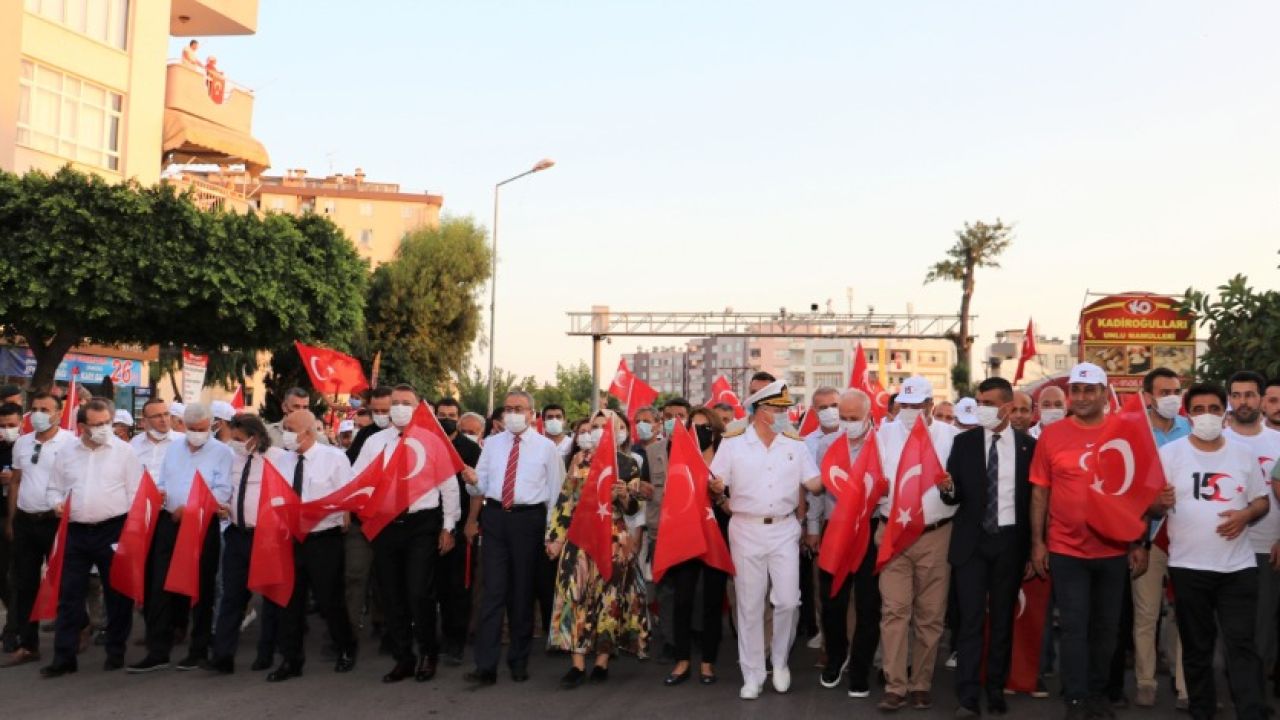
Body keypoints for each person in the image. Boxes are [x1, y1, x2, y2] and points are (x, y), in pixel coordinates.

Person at [1030, 363, 1148, 720]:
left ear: (1103, 392)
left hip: (1113, 548)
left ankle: (1098, 695)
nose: (1081, 397)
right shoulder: (1052, 435)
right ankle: (1076, 698)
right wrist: (1038, 543)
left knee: (1107, 629)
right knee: (1073, 627)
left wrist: (1138, 542)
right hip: (1066, 549)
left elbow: (1137, 492)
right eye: (1076, 390)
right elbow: (1040, 492)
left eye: (1089, 390)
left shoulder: (1125, 432)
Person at [1151, 382, 1271, 720]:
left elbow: (1261, 501)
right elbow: (1152, 508)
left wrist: (1246, 515)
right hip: (1188, 567)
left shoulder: (1243, 454)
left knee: (1242, 646)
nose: (1207, 416)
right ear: (1189, 415)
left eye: (1214, 409)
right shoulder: (1170, 454)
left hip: (1238, 568)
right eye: (1199, 410)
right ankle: (1201, 711)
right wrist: (1158, 503)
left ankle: (1251, 712)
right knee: (1196, 648)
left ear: (1224, 412)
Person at [708, 379, 823, 701]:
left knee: (787, 600)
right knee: (750, 604)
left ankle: (780, 661)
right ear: (760, 411)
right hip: (746, 528)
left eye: (786, 409)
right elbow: (716, 481)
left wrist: (834, 476)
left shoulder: (795, 444)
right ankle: (753, 673)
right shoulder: (733, 443)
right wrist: (716, 488)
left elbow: (814, 483)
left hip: (784, 528)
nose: (784, 414)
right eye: (777, 409)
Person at [939, 377, 1036, 717]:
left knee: (1002, 621)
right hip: (972, 543)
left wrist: (1032, 549)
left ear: (1007, 407)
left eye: (989, 404)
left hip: (1010, 543)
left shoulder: (1028, 447)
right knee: (970, 621)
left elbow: (1034, 502)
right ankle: (967, 696)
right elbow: (954, 495)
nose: (982, 409)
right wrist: (947, 489)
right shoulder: (964, 443)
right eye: (979, 402)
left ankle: (995, 690)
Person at [351, 385, 460, 683]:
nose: (399, 408)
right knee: (391, 593)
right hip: (385, 525)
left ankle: (428, 653)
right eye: (395, 403)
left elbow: (449, 486)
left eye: (406, 403)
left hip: (421, 525)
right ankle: (403, 658)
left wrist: (448, 526)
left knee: (418, 591)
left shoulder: (432, 441)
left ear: (418, 406)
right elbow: (358, 479)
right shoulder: (375, 441)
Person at [461, 390, 565, 686]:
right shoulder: (491, 444)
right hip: (495, 519)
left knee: (522, 593)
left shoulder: (546, 448)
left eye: (519, 409)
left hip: (529, 521)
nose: (512, 414)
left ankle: (519, 661)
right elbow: (480, 486)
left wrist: (553, 535)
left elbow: (556, 495)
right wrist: (472, 482)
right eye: (508, 409)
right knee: (493, 592)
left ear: (532, 414)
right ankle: (485, 666)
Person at [546, 409, 649, 688]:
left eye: (606, 425)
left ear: (617, 430)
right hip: (579, 537)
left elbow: (634, 508)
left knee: (609, 599)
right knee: (574, 596)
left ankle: (602, 661)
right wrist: (555, 537)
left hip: (613, 539)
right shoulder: (579, 460)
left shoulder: (627, 463)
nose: (599, 430)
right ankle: (577, 665)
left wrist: (624, 495)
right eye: (595, 425)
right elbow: (566, 500)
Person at [39, 399, 142, 677]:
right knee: (69, 595)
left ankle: (115, 650)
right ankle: (64, 657)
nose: (104, 428)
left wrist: (131, 534)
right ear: (82, 426)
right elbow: (53, 488)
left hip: (113, 530)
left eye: (107, 423)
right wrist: (56, 503)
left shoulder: (125, 452)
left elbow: (135, 493)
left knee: (117, 594)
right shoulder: (67, 453)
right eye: (97, 424)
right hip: (75, 532)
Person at [874, 375, 958, 712]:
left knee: (930, 615)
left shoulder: (952, 437)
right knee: (894, 611)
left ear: (930, 406)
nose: (909, 411)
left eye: (917, 405)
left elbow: (961, 489)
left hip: (936, 535)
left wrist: (950, 487)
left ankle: (921, 683)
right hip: (893, 533)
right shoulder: (882, 434)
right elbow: (870, 480)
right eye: (904, 405)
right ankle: (895, 685)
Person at [130, 402, 234, 673]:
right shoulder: (174, 448)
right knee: (159, 586)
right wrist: (160, 493)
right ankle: (158, 650)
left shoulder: (222, 453)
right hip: (169, 522)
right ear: (184, 425)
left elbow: (223, 491)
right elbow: (164, 480)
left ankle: (198, 650)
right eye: (192, 429)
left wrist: (191, 508)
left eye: (202, 429)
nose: (197, 434)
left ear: (211, 425)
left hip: (202, 525)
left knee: (202, 588)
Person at [266, 410, 358, 682]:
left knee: (330, 599)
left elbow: (348, 495)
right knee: (290, 601)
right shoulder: (282, 460)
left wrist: (344, 512)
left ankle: (345, 647)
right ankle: (291, 660)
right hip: (290, 539)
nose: (285, 434)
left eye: (290, 429)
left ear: (307, 432)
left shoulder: (334, 458)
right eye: (284, 428)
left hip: (323, 539)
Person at [807, 389, 882, 699]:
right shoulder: (828, 444)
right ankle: (836, 658)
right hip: (835, 527)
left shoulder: (882, 444)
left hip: (869, 528)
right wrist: (813, 528)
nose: (848, 423)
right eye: (843, 418)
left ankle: (860, 669)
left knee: (868, 603)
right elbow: (816, 491)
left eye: (854, 418)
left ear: (868, 416)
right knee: (832, 600)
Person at [207, 414, 288, 674]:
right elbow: (228, 490)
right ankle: (223, 656)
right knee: (232, 596)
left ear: (256, 436)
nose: (236, 443)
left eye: (240, 439)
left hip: (267, 537)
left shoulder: (279, 458)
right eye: (233, 438)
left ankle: (267, 653)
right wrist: (223, 506)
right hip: (236, 534)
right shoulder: (233, 459)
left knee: (270, 597)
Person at [1131, 367, 1191, 709]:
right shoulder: (1135, 433)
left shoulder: (1191, 429)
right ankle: (1145, 681)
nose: (1171, 398)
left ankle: (1185, 685)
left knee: (1185, 613)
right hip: (1148, 535)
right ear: (1148, 396)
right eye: (1164, 392)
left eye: (1175, 391)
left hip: (1186, 535)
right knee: (1146, 612)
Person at [2, 391, 76, 668]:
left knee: (63, 581)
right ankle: (28, 644)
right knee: (24, 584)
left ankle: (75, 631)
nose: (38, 414)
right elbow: (16, 481)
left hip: (54, 522)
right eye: (34, 409)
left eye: (45, 409)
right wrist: (12, 519)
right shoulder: (23, 443)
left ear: (58, 413)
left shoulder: (70, 443)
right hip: (25, 521)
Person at [1221, 370, 1280, 694]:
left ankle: (1255, 694)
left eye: (1250, 395)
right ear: (1230, 399)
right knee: (1229, 627)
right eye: (1236, 395)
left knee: (1262, 628)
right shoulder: (1217, 440)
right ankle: (1236, 687)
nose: (1243, 401)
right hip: (1225, 547)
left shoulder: (1277, 442)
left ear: (1261, 399)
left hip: (1267, 548)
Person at [664, 406, 731, 687]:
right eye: (695, 426)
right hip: (687, 534)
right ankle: (682, 661)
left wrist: (719, 494)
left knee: (712, 601)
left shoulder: (727, 458)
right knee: (683, 600)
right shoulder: (679, 453)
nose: (700, 432)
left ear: (715, 431)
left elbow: (733, 506)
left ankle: (707, 662)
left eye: (705, 428)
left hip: (718, 534)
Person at [641, 397, 693, 664]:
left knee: (690, 590)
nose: (675, 421)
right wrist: (642, 489)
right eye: (669, 416)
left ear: (689, 418)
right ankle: (671, 641)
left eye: (680, 415)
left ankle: (690, 637)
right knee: (666, 590)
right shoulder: (652, 452)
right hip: (660, 530)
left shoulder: (699, 449)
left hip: (689, 531)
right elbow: (645, 487)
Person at [434, 396, 481, 667]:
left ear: (458, 417)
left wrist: (471, 522)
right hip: (431, 525)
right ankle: (440, 636)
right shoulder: (427, 444)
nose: (446, 419)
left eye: (451, 415)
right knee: (436, 586)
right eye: (441, 415)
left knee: (458, 586)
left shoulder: (470, 449)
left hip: (461, 527)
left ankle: (456, 641)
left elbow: (477, 489)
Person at [0, 402, 20, 652]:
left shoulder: (27, 447)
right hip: (1, 515)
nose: (6, 429)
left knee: (15, 576)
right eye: (2, 425)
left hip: (19, 519)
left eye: (11, 425)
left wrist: (15, 479)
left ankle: (13, 629)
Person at [130, 399, 181, 477]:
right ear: (144, 421)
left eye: (166, 414)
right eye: (157, 416)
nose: (163, 419)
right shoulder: (134, 443)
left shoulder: (182, 442)